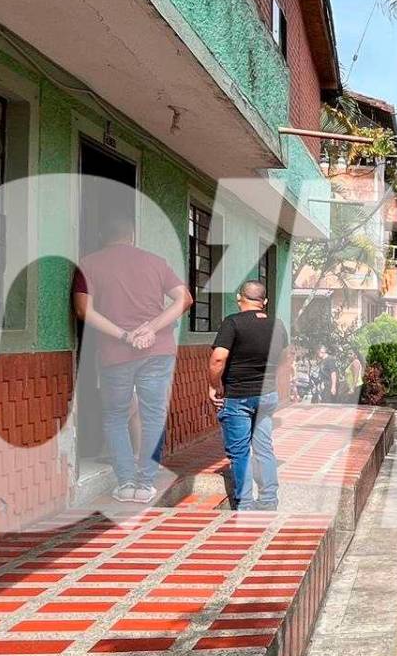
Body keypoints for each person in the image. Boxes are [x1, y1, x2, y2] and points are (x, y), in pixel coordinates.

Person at [72, 216, 192, 504]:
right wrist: (152, 328)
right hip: (157, 350)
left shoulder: (88, 264)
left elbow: (83, 310)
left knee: (115, 416)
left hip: (116, 353)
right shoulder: (157, 262)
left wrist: (125, 336)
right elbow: (184, 300)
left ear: (103, 235)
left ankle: (125, 483)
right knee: (152, 416)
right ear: (133, 235)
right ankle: (145, 483)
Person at [209, 280, 290, 511]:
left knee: (240, 451)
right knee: (264, 447)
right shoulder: (278, 325)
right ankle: (268, 501)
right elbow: (284, 357)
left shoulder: (232, 323)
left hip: (238, 396)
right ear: (264, 302)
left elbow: (217, 359)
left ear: (239, 298)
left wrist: (214, 386)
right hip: (267, 395)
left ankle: (245, 503)